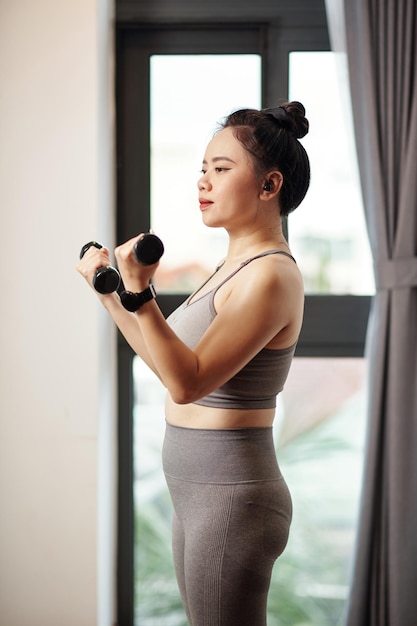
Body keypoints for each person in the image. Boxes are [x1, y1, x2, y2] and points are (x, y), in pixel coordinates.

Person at [77, 100, 310, 626]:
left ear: (269, 186)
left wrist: (139, 288)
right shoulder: (232, 266)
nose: (203, 181)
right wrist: (109, 292)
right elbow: (167, 365)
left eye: (222, 170)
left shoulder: (270, 276)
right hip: (196, 489)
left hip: (232, 496)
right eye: (203, 169)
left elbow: (188, 384)